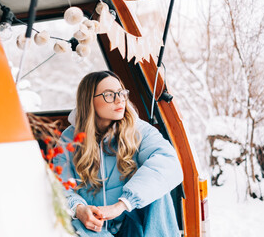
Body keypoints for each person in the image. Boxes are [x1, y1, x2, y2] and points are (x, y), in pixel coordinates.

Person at [53, 71, 183, 236]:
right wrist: (78, 208)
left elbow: (169, 163)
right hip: (93, 227)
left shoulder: (139, 130)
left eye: (122, 93)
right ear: (89, 100)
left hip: (131, 222)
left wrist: (122, 204)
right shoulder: (70, 138)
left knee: (157, 189)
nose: (120, 99)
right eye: (109, 94)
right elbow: (58, 185)